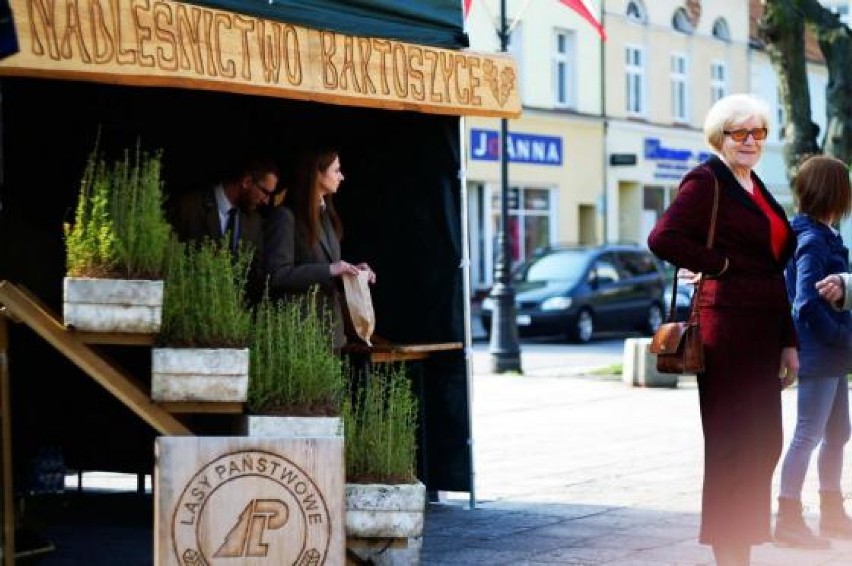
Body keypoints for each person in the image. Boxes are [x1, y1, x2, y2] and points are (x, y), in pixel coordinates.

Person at [647, 93, 798, 566]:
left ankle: (743, 543)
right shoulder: (707, 179)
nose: (751, 140)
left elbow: (775, 268)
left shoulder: (754, 183)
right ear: (721, 137)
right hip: (727, 330)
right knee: (733, 445)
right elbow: (664, 238)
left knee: (766, 442)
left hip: (763, 328)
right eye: (740, 132)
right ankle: (730, 555)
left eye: (758, 132)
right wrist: (721, 264)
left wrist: (788, 342)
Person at [776, 155, 852, 548]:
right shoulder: (811, 240)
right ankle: (788, 518)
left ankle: (833, 512)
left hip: (834, 355)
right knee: (808, 433)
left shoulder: (821, 234)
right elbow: (804, 303)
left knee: (838, 434)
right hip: (821, 353)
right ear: (836, 192)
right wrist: (841, 335)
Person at [264, 147, 375, 351]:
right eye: (336, 170)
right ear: (317, 173)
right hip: (300, 333)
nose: (341, 177)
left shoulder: (327, 216)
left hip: (331, 333)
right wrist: (330, 270)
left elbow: (331, 270)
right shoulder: (285, 217)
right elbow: (277, 275)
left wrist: (353, 272)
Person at [168, 157, 280, 305]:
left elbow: (255, 275)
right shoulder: (189, 208)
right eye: (265, 192)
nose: (266, 200)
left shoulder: (254, 221)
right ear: (246, 182)